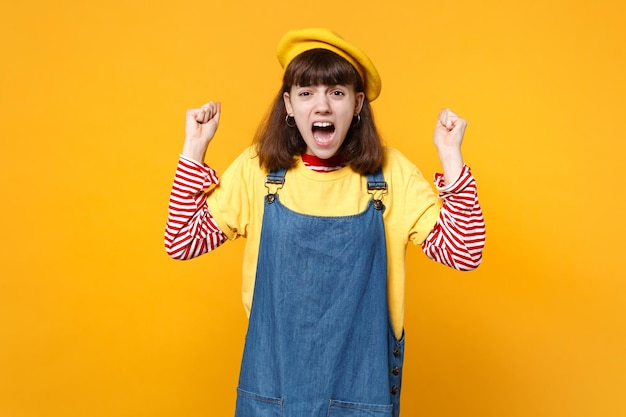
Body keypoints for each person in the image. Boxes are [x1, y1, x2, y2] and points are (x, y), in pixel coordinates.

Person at [164, 28, 485, 417]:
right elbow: (181, 241)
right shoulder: (258, 170)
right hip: (273, 394)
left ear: (358, 103)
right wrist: (193, 150)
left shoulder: (391, 175)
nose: (322, 106)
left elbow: (465, 251)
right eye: (306, 93)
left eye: (336, 92)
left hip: (361, 397)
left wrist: (451, 157)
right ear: (288, 104)